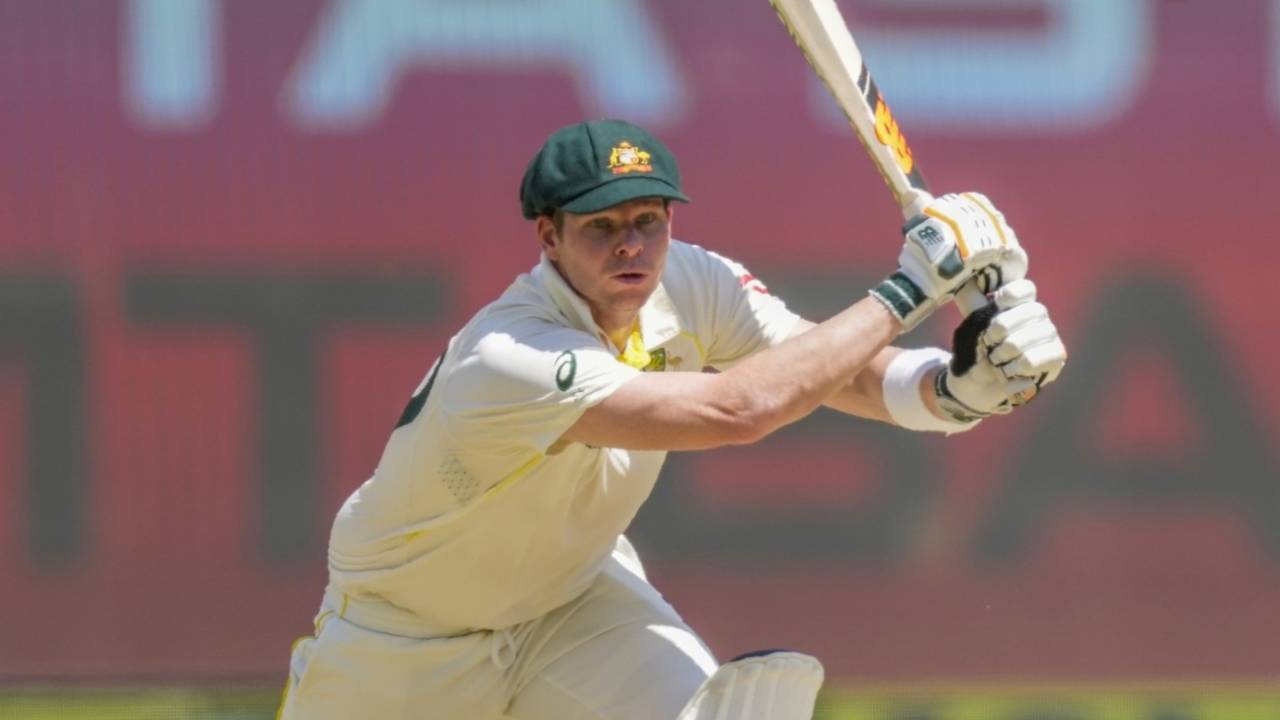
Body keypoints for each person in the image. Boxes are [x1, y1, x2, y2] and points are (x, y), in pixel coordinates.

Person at [277, 119, 1066, 720]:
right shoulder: (508, 354)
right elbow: (739, 408)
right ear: (548, 238)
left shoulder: (689, 283)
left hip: (571, 603)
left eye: (648, 220)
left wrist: (955, 388)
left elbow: (834, 370)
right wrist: (910, 290)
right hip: (404, 639)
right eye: (601, 227)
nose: (632, 246)